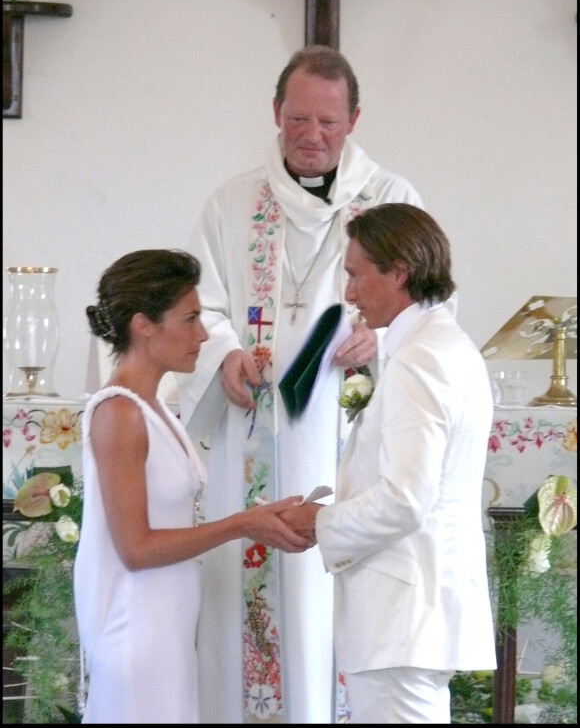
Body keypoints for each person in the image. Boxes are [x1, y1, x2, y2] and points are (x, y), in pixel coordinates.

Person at [176, 46, 427, 724]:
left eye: (327, 120)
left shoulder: (393, 202)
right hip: (251, 434)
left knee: (327, 618)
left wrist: (386, 337)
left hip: (346, 435)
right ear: (275, 112)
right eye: (297, 119)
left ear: (354, 119)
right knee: (252, 616)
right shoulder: (231, 203)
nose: (311, 135)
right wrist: (224, 353)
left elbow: (433, 312)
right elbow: (203, 308)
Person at [73, 249, 312, 725]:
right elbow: (135, 549)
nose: (203, 335)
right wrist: (243, 524)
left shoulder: (155, 407)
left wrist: (259, 517)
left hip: (166, 630)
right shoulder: (119, 413)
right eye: (190, 319)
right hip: (135, 634)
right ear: (144, 325)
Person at [281, 203, 497, 724]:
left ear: (398, 272)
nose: (349, 293)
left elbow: (406, 499)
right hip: (411, 618)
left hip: (401, 620)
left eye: (357, 275)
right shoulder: (440, 344)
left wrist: (320, 521)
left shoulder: (421, 357)